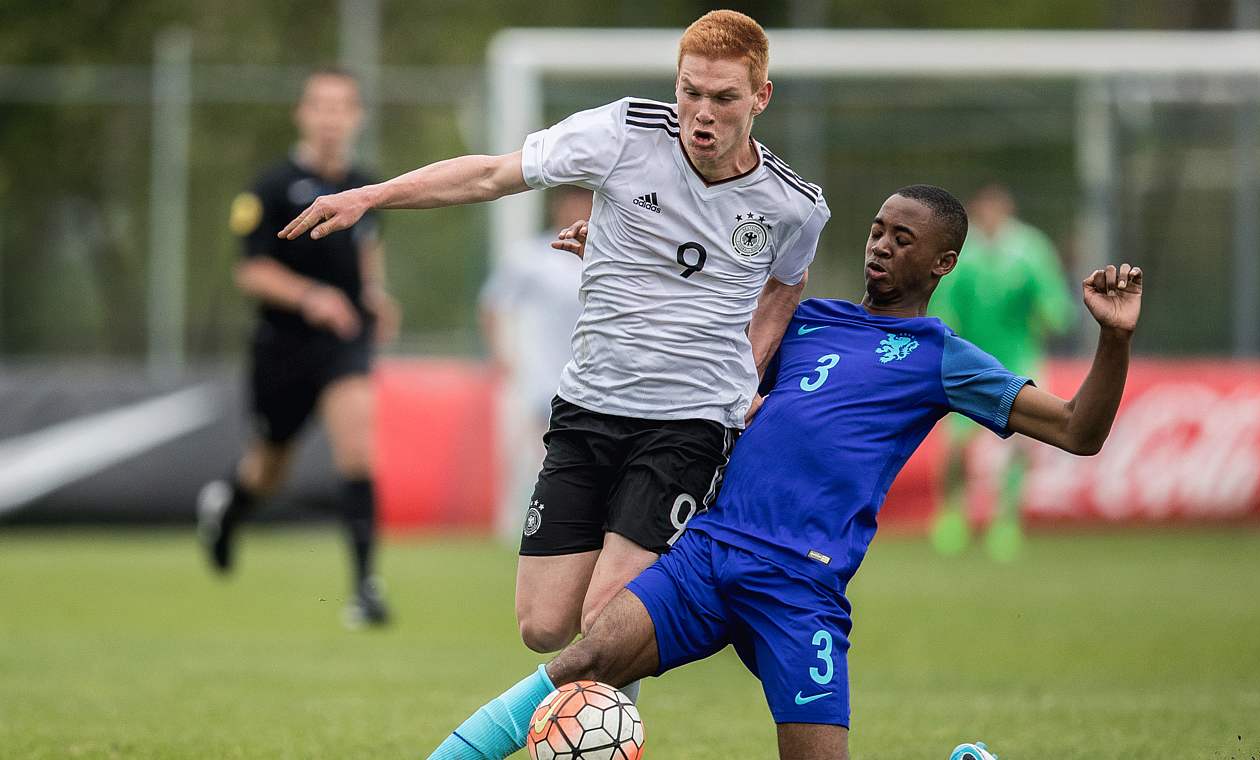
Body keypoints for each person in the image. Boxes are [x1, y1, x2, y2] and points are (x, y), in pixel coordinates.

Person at [426, 185, 1142, 760]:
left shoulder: (939, 355)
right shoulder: (806, 320)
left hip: (800, 586)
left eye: (903, 239)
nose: (881, 247)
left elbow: (1079, 430)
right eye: (877, 230)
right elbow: (693, 325)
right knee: (584, 659)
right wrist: (616, 261)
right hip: (708, 554)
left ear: (942, 263)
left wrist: (1113, 337)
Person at [279, 7, 829, 683]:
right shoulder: (623, 132)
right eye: (690, 91)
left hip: (688, 425)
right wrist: (371, 195)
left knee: (606, 620)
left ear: (760, 97)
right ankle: (695, 599)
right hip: (588, 408)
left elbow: (784, 284)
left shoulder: (792, 204)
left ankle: (599, 731)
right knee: (542, 626)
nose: (701, 113)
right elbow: (490, 175)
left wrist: (747, 376)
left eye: (723, 98)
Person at [197, 68, 400, 627]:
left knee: (358, 450)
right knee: (268, 470)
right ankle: (229, 512)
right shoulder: (269, 187)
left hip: (343, 343)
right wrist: (310, 296)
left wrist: (377, 297)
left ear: (356, 116)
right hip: (281, 347)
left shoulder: (363, 184)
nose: (332, 118)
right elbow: (251, 271)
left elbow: (367, 254)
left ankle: (366, 591)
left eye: (343, 107)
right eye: (321, 106)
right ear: (302, 114)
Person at [928, 182, 1074, 562]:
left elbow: (1054, 300)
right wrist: (944, 331)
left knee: (1022, 442)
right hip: (969, 358)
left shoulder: (1030, 248)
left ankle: (1005, 520)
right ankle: (952, 514)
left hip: (1018, 358)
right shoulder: (964, 251)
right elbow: (943, 298)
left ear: (1007, 212)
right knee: (958, 444)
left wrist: (1051, 312)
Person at [478, 187, 591, 542]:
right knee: (533, 449)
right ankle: (517, 523)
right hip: (540, 370)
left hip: (589, 372)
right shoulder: (530, 256)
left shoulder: (605, 256)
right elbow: (494, 304)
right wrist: (502, 354)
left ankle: (571, 521)